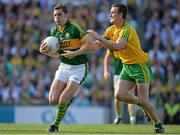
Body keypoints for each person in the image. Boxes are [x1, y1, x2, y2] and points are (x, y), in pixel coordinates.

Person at [63, 3, 164, 133]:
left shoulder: (127, 29)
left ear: (121, 15)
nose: (110, 14)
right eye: (110, 12)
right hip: (127, 66)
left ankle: (158, 125)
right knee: (119, 95)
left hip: (140, 66)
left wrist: (98, 37)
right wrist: (75, 52)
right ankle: (141, 104)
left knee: (145, 100)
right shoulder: (110, 30)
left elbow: (118, 46)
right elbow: (96, 46)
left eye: (113, 12)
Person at [39, 3, 95, 132]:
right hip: (64, 67)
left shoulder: (75, 28)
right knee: (53, 100)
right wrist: (45, 52)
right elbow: (57, 53)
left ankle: (55, 125)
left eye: (60, 15)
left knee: (62, 100)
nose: (57, 17)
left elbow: (91, 45)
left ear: (66, 15)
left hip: (79, 68)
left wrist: (74, 53)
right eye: (55, 15)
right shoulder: (53, 31)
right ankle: (66, 102)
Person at [104, 49, 136, 125]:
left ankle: (132, 119)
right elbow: (106, 58)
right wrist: (106, 71)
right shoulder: (113, 44)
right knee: (117, 97)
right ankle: (118, 117)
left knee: (131, 95)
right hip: (118, 74)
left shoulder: (128, 42)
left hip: (129, 73)